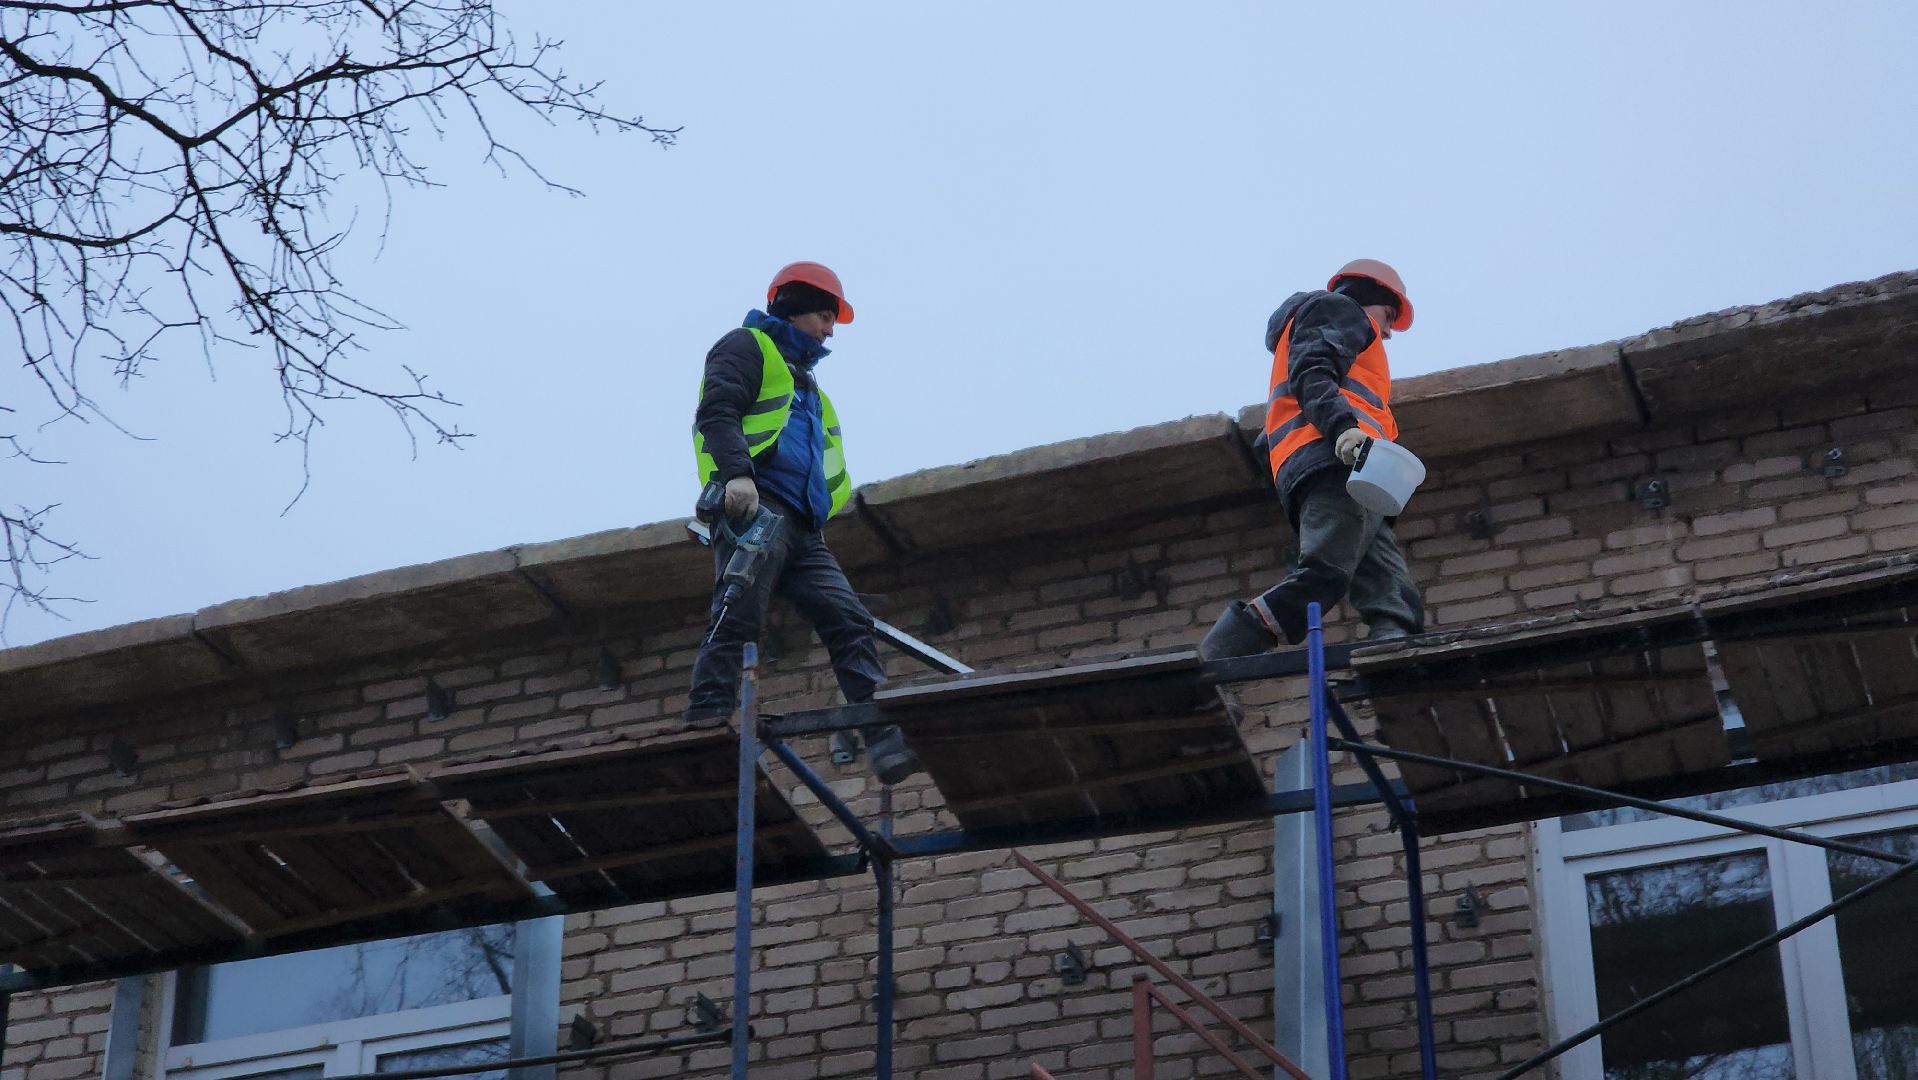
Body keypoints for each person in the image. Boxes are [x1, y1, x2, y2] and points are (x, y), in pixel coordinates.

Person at [686, 261, 921, 784]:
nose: (830, 330)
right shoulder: (746, 346)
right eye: (824, 315)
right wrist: (737, 477)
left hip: (802, 530)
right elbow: (717, 412)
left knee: (849, 618)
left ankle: (881, 737)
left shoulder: (810, 390)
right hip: (757, 506)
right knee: (739, 613)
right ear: (793, 306)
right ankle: (703, 725)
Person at [1201, 259, 1426, 658]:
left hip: (1358, 465)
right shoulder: (1340, 310)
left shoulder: (1337, 326)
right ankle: (1222, 653)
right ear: (1365, 295)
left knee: (1388, 587)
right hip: (1338, 457)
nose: (1389, 331)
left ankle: (1397, 646)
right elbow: (1313, 372)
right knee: (1323, 576)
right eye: (1388, 315)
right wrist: (1343, 430)